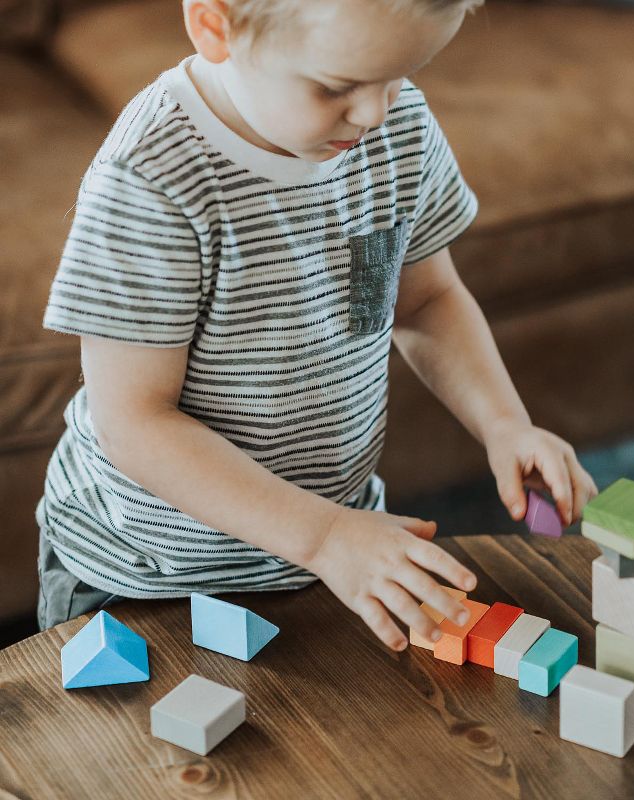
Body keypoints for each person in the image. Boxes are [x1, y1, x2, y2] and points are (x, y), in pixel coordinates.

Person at [36, 0, 598, 650]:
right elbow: (135, 423)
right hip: (148, 574)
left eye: (398, 75)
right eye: (337, 86)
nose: (375, 113)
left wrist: (504, 424)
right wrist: (323, 537)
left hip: (330, 549)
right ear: (216, 27)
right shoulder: (150, 179)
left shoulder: (395, 128)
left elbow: (425, 300)